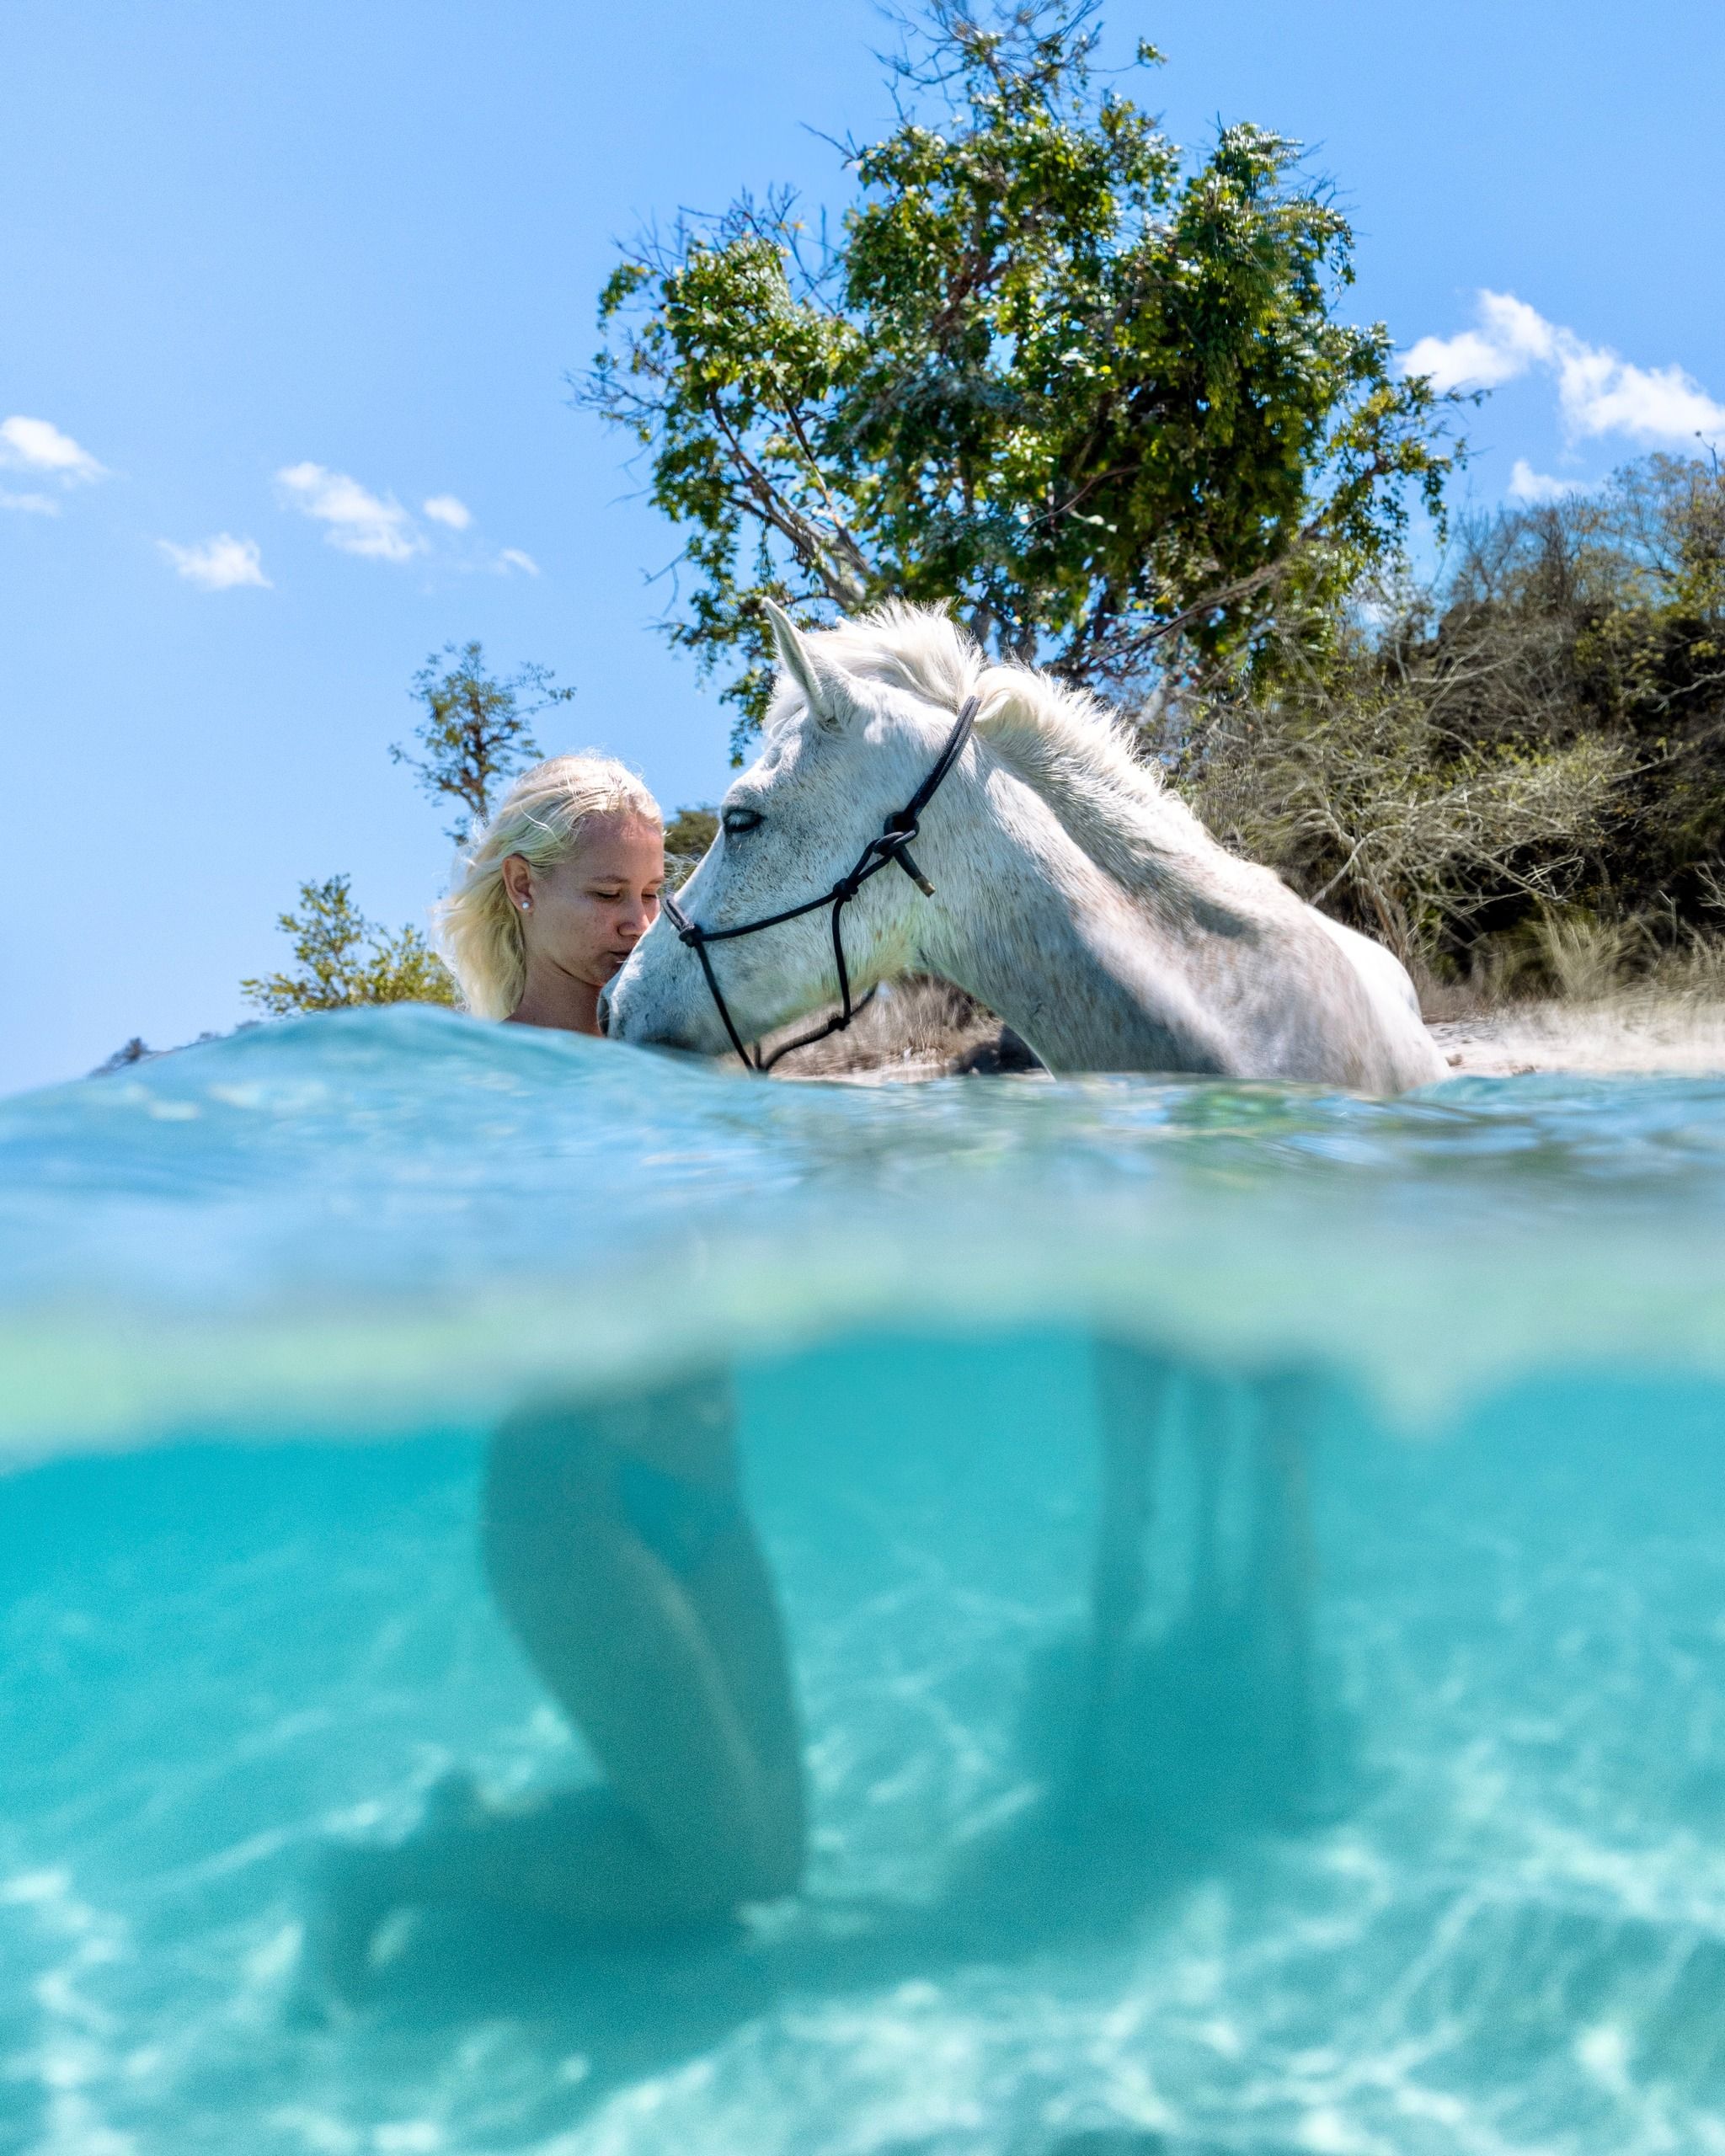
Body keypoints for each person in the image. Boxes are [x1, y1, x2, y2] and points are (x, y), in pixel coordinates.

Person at [307, 755, 804, 2002]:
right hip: (575, 1517)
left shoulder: (686, 1055)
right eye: (605, 896)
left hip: (711, 1503)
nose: (638, 924)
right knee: (723, 1866)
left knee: (776, 1860)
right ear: (524, 890)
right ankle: (377, 1876)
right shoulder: (481, 1092)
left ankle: (479, 1826)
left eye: (651, 894)